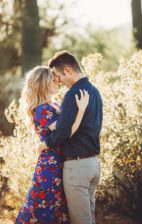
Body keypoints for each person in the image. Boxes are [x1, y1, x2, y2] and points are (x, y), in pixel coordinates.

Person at [16, 66, 89, 223]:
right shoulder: (42, 110)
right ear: (44, 84)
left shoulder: (54, 105)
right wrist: (81, 111)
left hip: (60, 162)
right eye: (53, 80)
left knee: (58, 210)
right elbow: (65, 133)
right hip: (51, 165)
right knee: (45, 210)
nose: (58, 82)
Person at [38, 51, 103, 224]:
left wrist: (45, 143)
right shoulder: (95, 91)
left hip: (77, 167)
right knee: (88, 218)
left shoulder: (73, 94)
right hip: (93, 165)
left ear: (67, 70)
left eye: (58, 77)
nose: (58, 82)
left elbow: (62, 133)